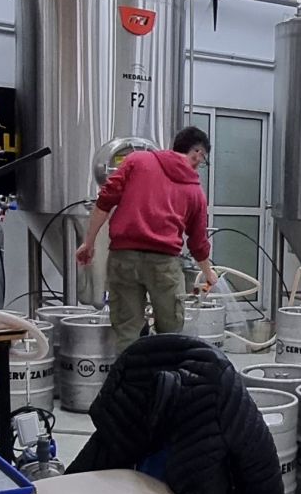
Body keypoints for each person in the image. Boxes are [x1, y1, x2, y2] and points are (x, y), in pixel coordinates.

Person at [76, 126, 219, 353]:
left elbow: (104, 201)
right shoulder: (195, 191)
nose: (200, 165)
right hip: (164, 265)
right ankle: (162, 374)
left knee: (126, 330)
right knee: (170, 332)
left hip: (123, 258)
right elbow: (198, 242)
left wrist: (89, 242)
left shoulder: (137, 161)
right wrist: (208, 273)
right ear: (198, 153)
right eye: (202, 160)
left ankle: (128, 374)